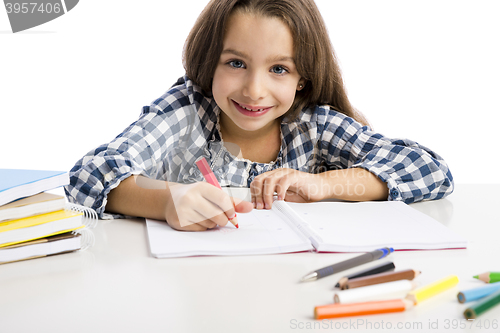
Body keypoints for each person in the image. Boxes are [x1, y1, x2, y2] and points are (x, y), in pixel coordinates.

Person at [65, 0, 453, 231]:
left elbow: (431, 170)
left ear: (303, 79)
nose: (253, 90)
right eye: (236, 63)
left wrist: (326, 185)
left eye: (279, 69)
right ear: (209, 62)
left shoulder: (314, 124)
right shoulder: (186, 112)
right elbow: (89, 175)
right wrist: (167, 201)